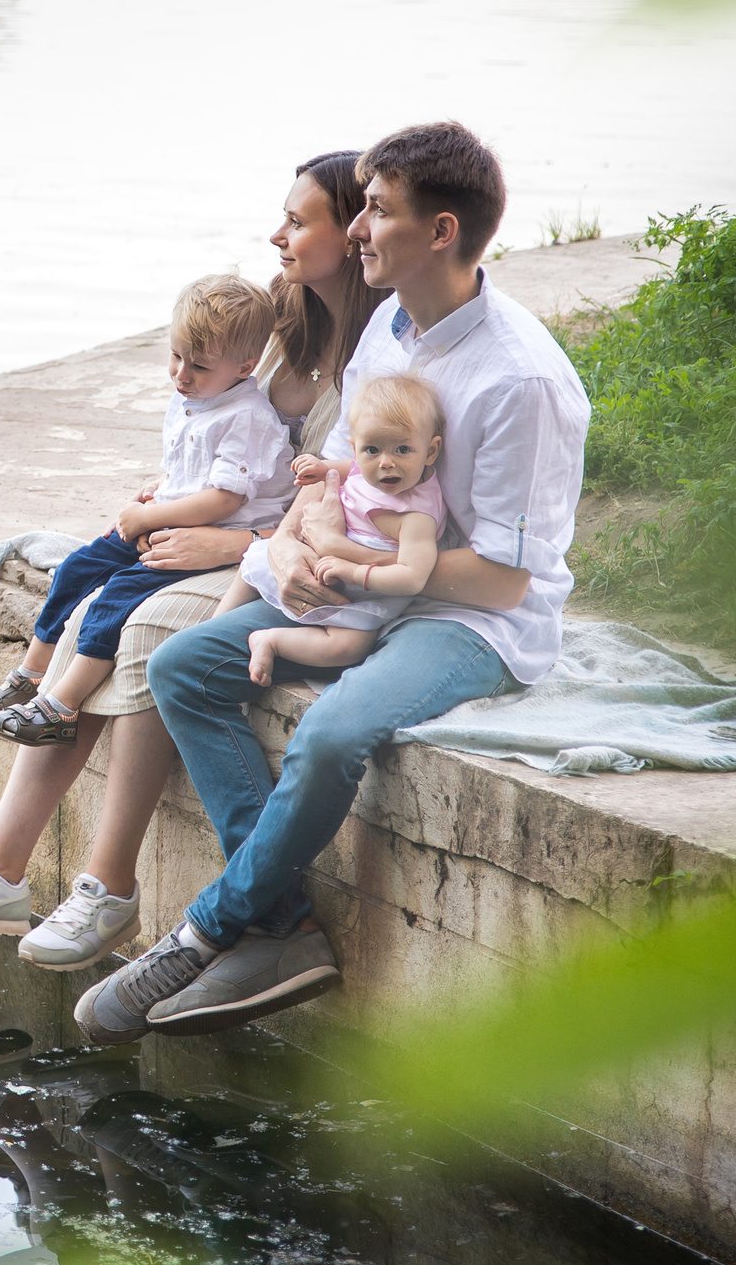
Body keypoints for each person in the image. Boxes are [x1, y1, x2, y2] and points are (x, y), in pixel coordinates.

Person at [77, 120, 590, 1045]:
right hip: (362, 587)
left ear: (439, 231)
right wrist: (309, 543)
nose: (357, 230)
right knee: (183, 665)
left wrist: (359, 569)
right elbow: (336, 473)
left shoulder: (520, 381)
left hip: (464, 619)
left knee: (331, 731)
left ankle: (208, 929)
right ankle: (281, 928)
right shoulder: (390, 327)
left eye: (378, 211)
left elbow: (508, 580)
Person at [0, 153, 385, 974]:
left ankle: (107, 887)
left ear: (354, 225)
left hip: (283, 566)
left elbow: (353, 506)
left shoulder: (379, 352)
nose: (277, 233)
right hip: (239, 544)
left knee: (150, 629)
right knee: (90, 609)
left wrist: (237, 546)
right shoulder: (277, 325)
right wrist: (171, 498)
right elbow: (222, 433)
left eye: (299, 221)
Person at [0, 275, 293, 749]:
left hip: (217, 533)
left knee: (118, 596)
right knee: (79, 568)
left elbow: (226, 499)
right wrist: (159, 490)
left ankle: (61, 707)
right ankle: (32, 672)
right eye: (176, 356)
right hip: (174, 514)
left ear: (246, 367)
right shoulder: (195, 397)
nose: (182, 373)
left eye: (199, 365)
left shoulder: (246, 417)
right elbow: (189, 467)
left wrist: (150, 518)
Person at [220, 373, 445, 686]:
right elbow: (347, 468)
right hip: (320, 562)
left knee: (346, 647)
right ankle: (216, 623)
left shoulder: (416, 513)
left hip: (360, 594)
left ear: (431, 451)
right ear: (356, 449)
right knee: (253, 565)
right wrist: (321, 468)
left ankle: (271, 641)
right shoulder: (364, 466)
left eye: (403, 450)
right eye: (372, 450)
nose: (385, 463)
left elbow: (412, 577)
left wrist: (353, 573)